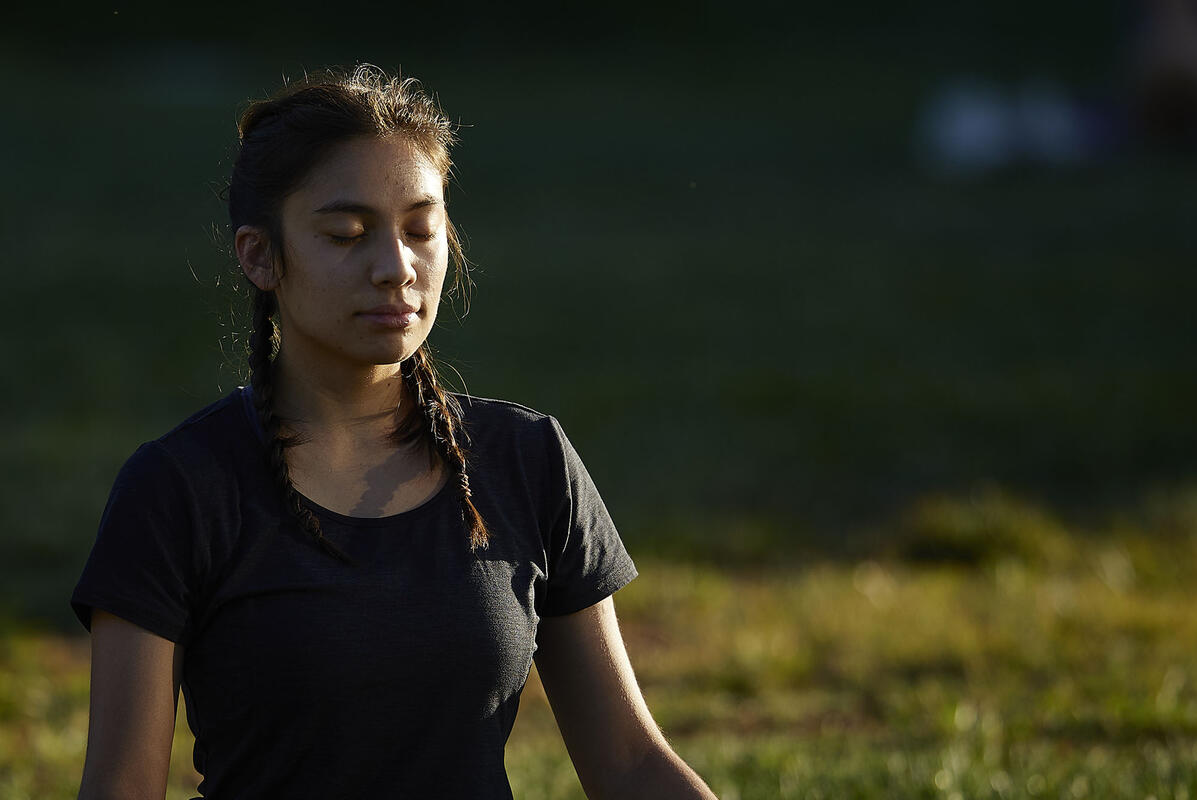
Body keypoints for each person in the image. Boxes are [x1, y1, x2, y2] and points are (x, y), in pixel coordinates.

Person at [71, 65, 718, 800]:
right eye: (346, 235)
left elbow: (631, 763)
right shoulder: (178, 489)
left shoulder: (526, 460)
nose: (396, 268)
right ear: (259, 256)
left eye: (421, 229)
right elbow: (120, 789)